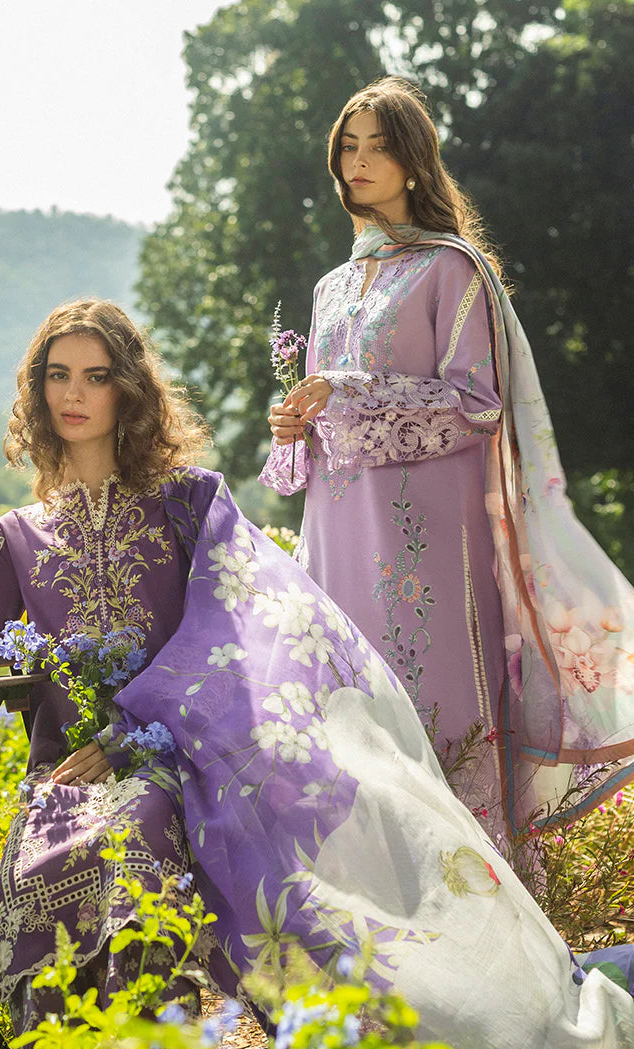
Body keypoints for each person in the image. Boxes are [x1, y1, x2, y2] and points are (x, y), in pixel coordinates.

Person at [0, 299, 634, 1049]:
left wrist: (143, 734)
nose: (74, 394)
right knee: (87, 840)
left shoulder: (188, 506)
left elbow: (253, 631)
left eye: (95, 375)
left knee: (141, 829)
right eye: (57, 376)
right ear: (35, 392)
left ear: (129, 391)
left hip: (206, 765)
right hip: (71, 778)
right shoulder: (15, 538)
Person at [260, 76, 634, 855]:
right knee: (348, 710)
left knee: (434, 708)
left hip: (424, 543)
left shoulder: (450, 269)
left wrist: (348, 390)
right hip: (336, 534)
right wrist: (294, 424)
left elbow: (476, 405)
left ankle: (477, 893)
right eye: (348, 148)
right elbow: (327, 427)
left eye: (378, 147)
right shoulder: (331, 287)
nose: (359, 163)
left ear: (414, 160)